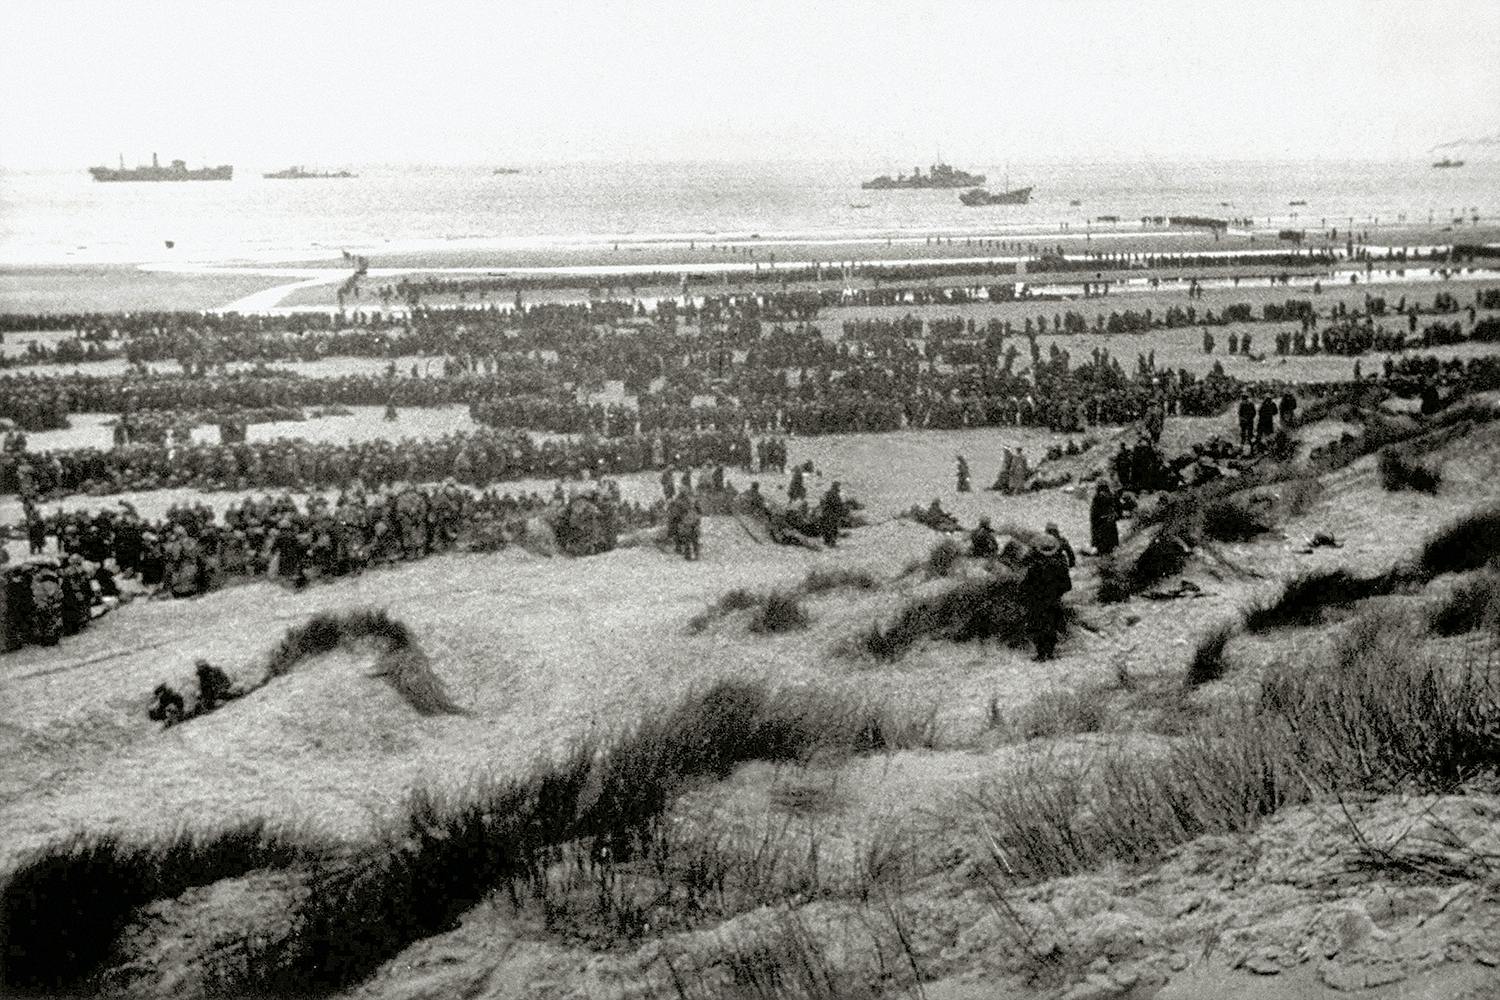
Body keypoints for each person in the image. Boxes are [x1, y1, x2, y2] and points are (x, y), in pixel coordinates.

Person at [1021, 535, 1072, 661]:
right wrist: (1057, 592)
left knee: (1038, 626)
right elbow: (1067, 585)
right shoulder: (1060, 565)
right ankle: (1050, 652)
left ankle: (1041, 654)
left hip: (1037, 602)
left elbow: (1025, 586)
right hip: (1054, 601)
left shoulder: (1035, 567)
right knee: (1052, 627)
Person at [1089, 482, 1120, 556]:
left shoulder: (1097, 498)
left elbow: (1094, 513)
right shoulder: (1112, 496)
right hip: (1110, 521)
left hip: (1100, 522)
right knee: (1111, 540)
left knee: (1101, 539)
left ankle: (1101, 551)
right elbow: (1117, 509)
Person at [817, 481, 845, 548]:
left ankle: (827, 541)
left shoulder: (826, 494)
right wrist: (840, 513)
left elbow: (821, 502)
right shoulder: (835, 495)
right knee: (832, 529)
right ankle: (831, 542)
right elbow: (839, 505)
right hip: (832, 515)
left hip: (825, 514)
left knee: (826, 528)